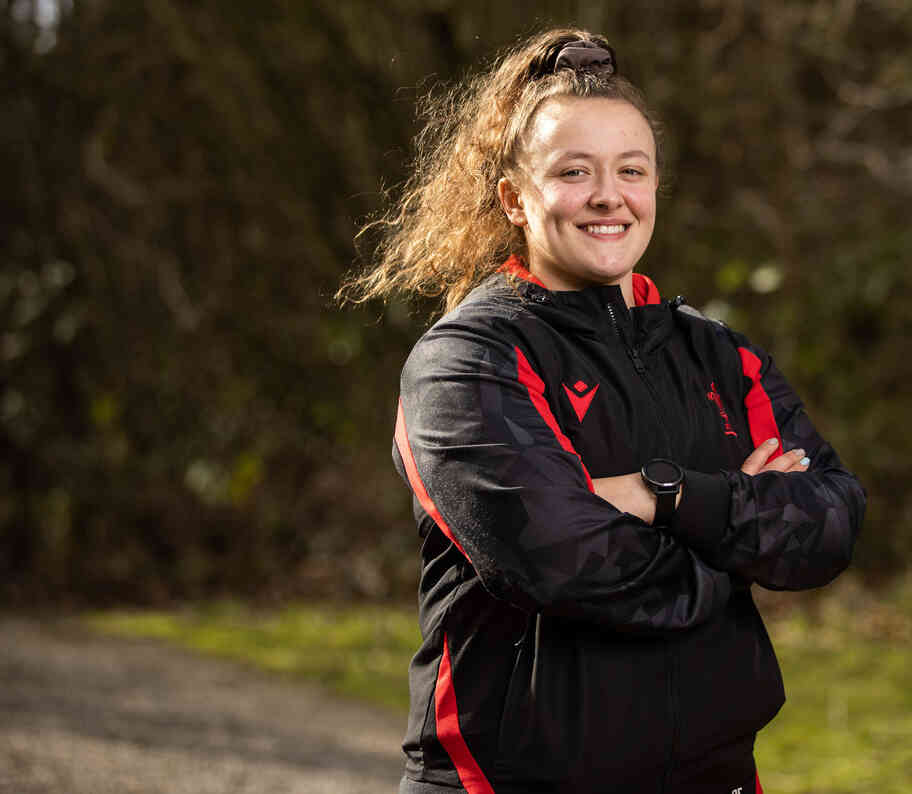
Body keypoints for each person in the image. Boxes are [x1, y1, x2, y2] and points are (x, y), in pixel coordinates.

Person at [340, 28, 866, 794]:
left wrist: (666, 495)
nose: (607, 195)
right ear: (515, 199)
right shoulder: (466, 362)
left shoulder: (719, 355)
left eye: (631, 170)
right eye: (574, 172)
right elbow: (563, 563)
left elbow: (834, 521)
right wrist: (737, 540)